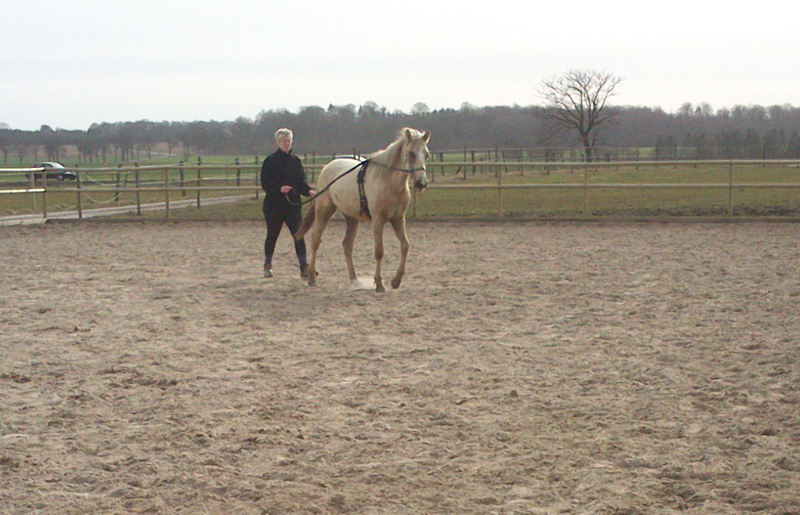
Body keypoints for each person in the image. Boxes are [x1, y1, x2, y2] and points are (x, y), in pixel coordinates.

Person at [260, 128, 316, 278]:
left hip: (293, 206)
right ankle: (267, 265)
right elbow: (265, 183)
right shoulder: (270, 161)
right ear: (279, 142)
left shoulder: (295, 161)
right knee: (272, 235)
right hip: (274, 205)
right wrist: (279, 188)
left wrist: (309, 191)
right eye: (284, 141)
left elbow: (300, 183)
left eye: (289, 141)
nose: (287, 143)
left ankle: (304, 267)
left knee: (299, 235)